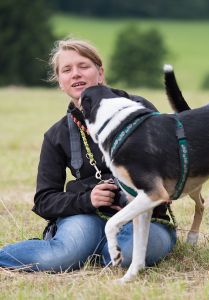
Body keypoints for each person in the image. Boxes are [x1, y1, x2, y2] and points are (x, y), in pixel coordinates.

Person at [0, 38, 176, 272]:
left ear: (100, 73)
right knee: (61, 257)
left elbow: (172, 157)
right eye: (67, 70)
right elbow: (44, 201)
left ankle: (97, 249)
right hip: (86, 216)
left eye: (83, 66)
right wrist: (87, 200)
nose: (75, 74)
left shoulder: (138, 108)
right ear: (60, 82)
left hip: (145, 216)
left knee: (126, 257)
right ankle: (78, 246)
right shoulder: (56, 135)